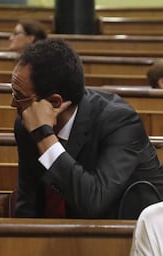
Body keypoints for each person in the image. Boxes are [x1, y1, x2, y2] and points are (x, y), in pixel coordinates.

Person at [11, 38, 163, 219]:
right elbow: (28, 202)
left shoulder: (120, 121)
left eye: (19, 96)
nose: (13, 104)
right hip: (66, 237)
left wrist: (45, 137)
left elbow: (93, 203)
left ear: (54, 102)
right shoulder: (25, 124)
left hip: (132, 235)